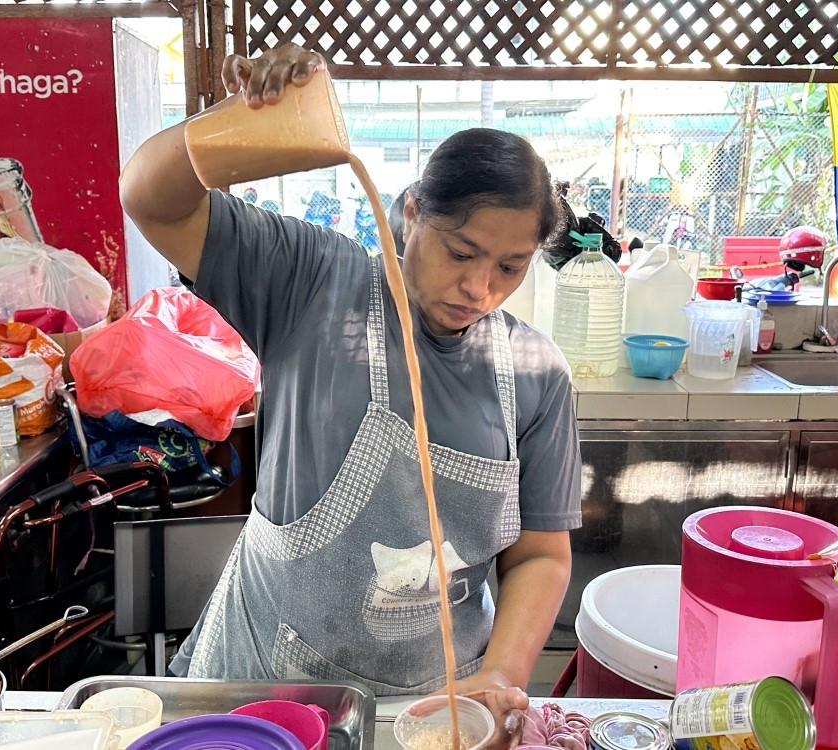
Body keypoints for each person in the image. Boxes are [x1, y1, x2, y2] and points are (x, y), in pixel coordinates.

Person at [119, 43, 582, 747]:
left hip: (435, 708)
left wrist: (499, 676)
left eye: (510, 267)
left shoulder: (535, 372)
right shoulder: (311, 282)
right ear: (411, 213)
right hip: (265, 684)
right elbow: (149, 196)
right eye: (460, 252)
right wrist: (240, 124)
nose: (479, 289)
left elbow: (541, 556)